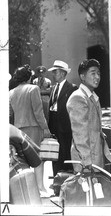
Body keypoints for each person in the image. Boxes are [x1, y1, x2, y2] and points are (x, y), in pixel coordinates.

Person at [66, 59, 111, 205]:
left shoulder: (92, 97)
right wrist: (87, 163)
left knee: (94, 199)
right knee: (87, 200)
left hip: (95, 158)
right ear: (82, 76)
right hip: (86, 160)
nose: (97, 77)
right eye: (93, 73)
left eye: (99, 73)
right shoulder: (78, 98)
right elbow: (80, 133)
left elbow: (95, 129)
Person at [9, 64, 51, 197]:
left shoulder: (11, 92)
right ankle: (40, 188)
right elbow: (38, 112)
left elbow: (10, 114)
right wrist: (46, 128)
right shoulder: (33, 89)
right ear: (28, 77)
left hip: (18, 130)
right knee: (38, 159)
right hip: (33, 127)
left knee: (23, 160)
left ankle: (27, 190)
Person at [48, 60, 77, 177]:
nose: (53, 74)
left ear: (63, 74)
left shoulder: (72, 88)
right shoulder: (54, 88)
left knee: (65, 154)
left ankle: (66, 180)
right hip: (54, 128)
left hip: (65, 128)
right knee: (55, 155)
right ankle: (56, 179)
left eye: (56, 72)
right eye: (54, 72)